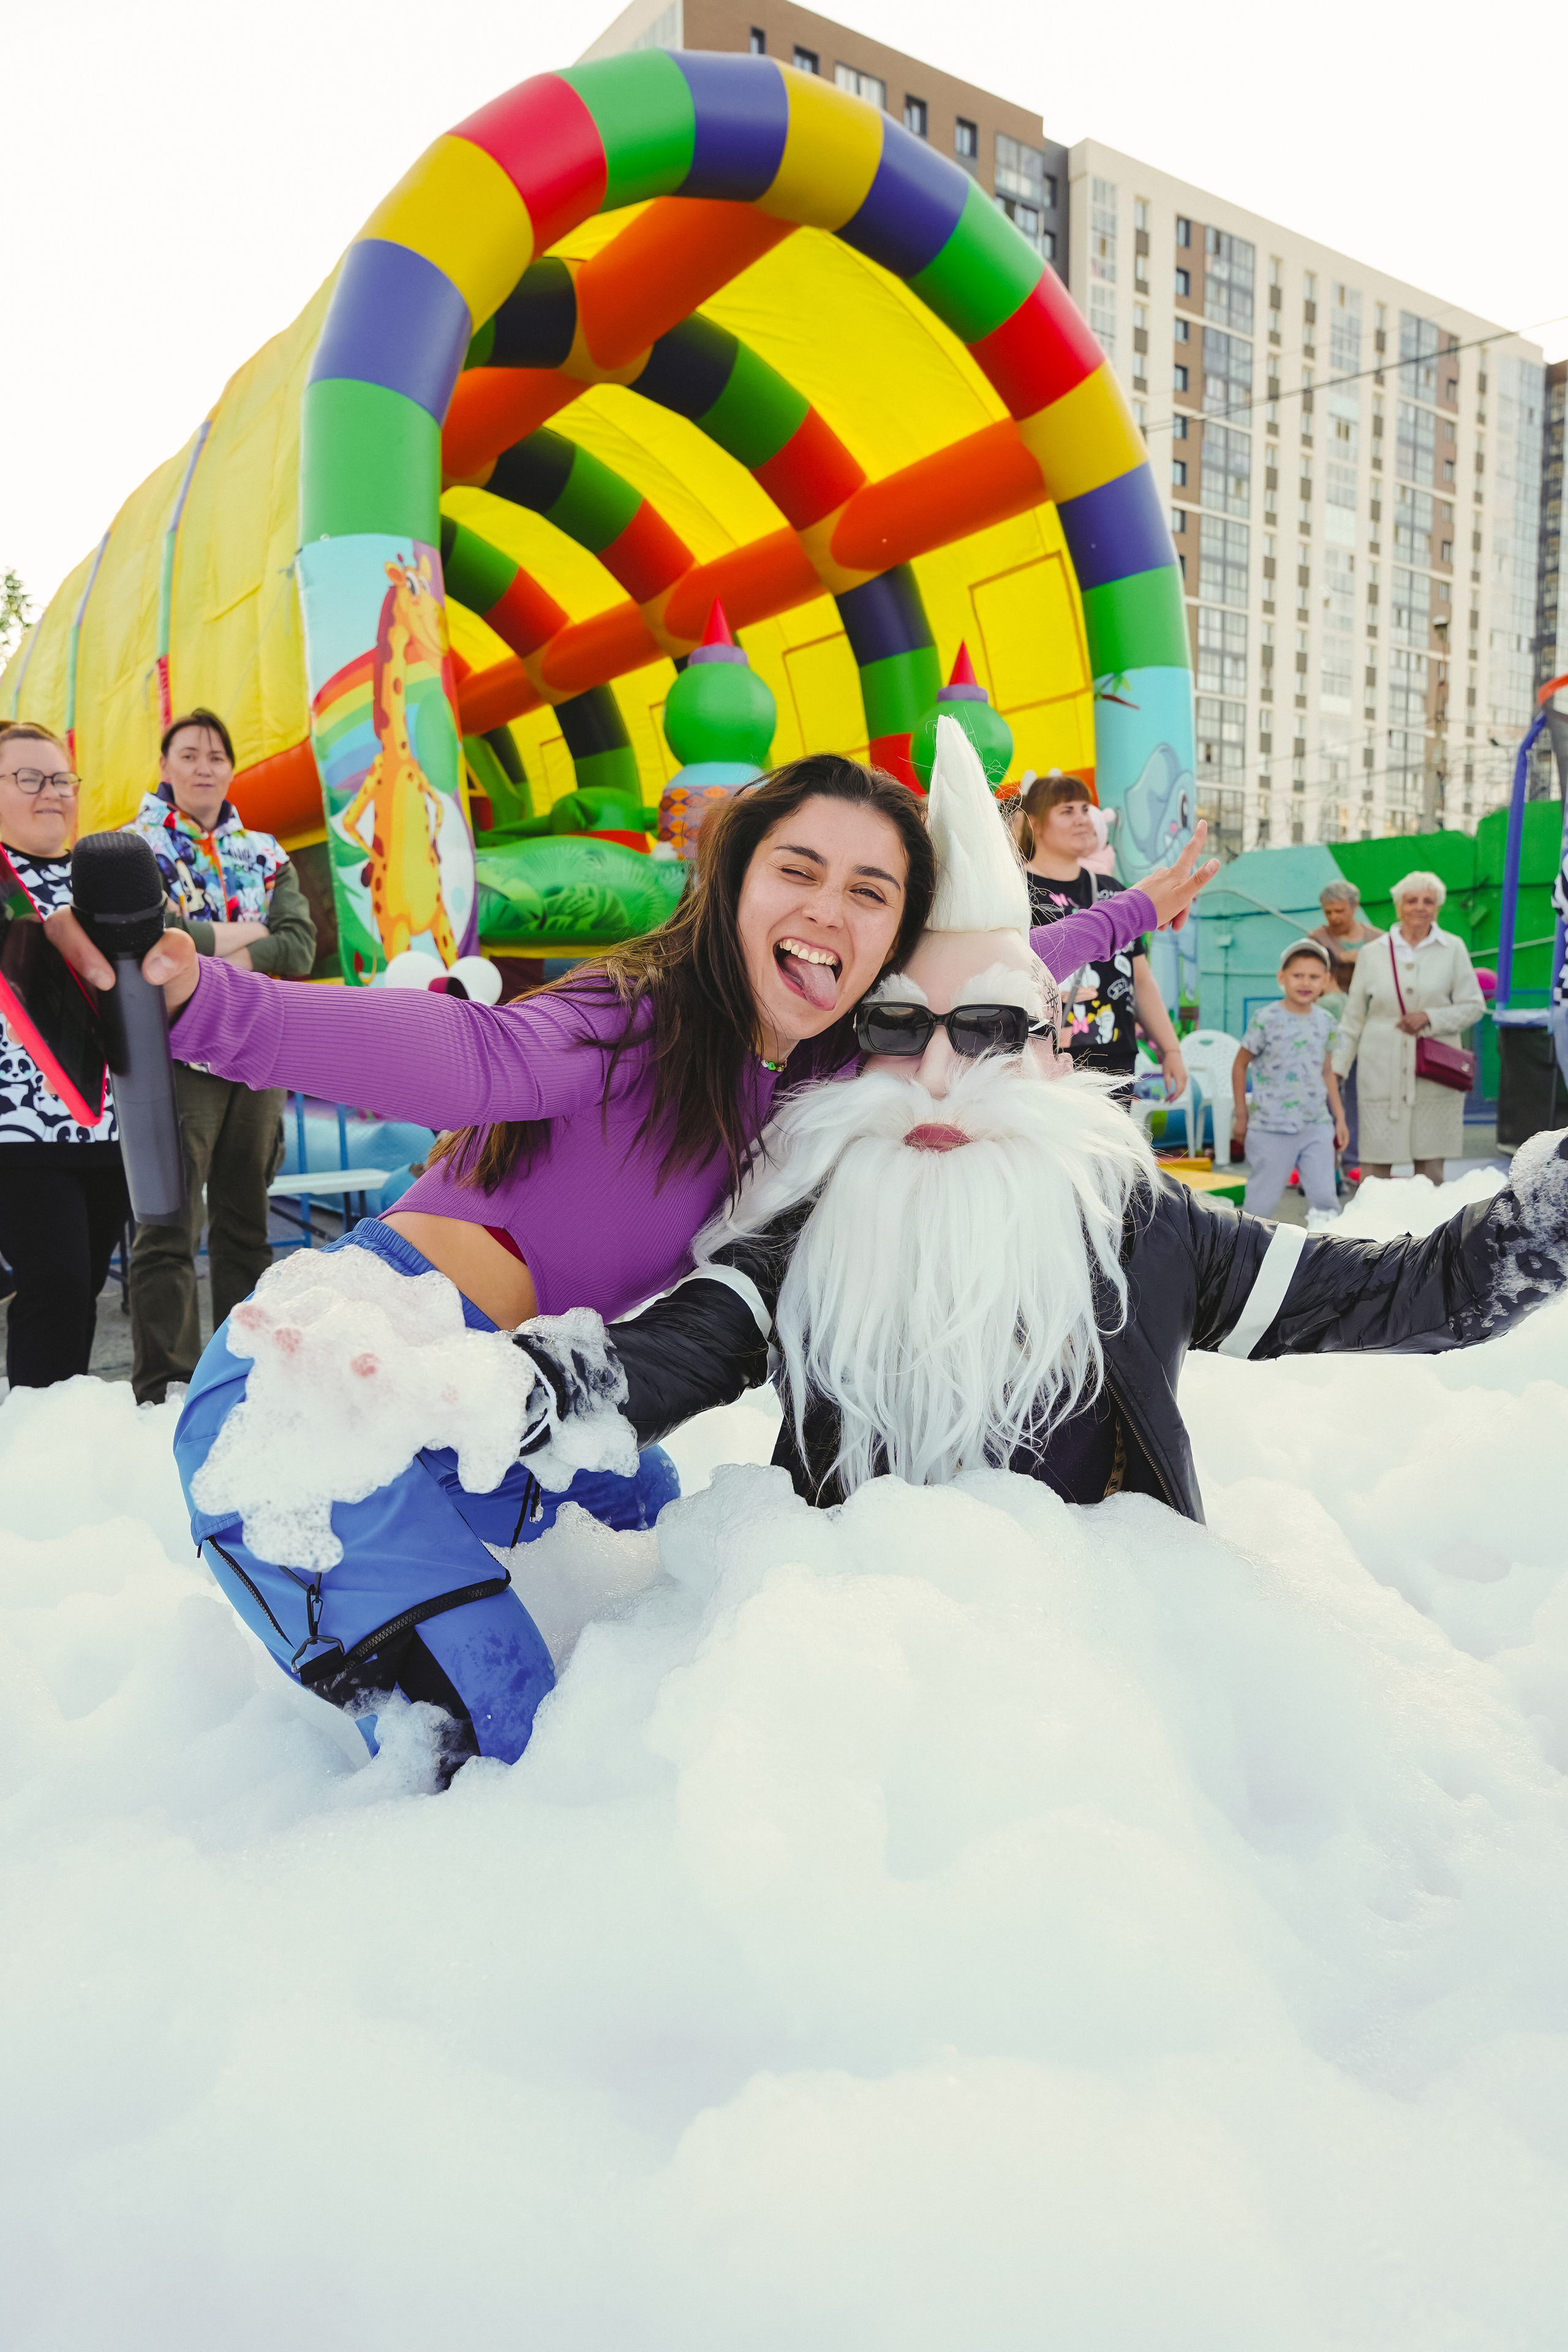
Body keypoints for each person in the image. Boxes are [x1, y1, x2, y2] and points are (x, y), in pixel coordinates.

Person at [43, 750, 1215, 1774]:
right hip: (325, 1395)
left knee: (680, 1598)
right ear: (735, 883)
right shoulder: (638, 1021)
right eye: (797, 871)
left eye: (871, 893)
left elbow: (1000, 967)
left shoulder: (819, 1070)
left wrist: (1131, 914)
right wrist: (209, 1009)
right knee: (510, 1750)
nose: (827, 913)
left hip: (507, 1407)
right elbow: (470, 1057)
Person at [524, 722, 1568, 1526]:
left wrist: (1546, 1216)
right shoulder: (813, 1220)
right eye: (897, 1027)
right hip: (851, 1656)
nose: (936, 1073)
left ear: (1050, 1045)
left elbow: (1410, 1292)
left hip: (1087, 1680)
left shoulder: (1141, 1227)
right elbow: (663, 1361)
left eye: (984, 1029)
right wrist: (524, 1392)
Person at [126, 709, 317, 1403]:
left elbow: (300, 946)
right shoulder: (134, 848)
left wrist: (200, 938)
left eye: (216, 755)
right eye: (189, 754)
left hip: (259, 1052)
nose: (204, 766)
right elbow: (155, 941)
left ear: (231, 768)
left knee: (246, 1225)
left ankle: (242, 1378)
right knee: (169, 1227)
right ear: (166, 766)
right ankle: (166, 1388)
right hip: (177, 1056)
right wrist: (244, 931)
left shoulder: (266, 851)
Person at [0, 723, 130, 1386]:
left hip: (107, 1126)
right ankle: (29, 1460)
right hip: (16, 1132)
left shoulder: (101, 878)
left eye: (61, 780)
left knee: (81, 1295)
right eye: (28, 778)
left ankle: (63, 1443)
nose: (51, 792)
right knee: (54, 1288)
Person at [1016, 769, 1187, 1104]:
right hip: (1042, 1065)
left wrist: (1171, 1049)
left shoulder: (1114, 891)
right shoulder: (1013, 891)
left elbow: (1140, 978)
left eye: (1085, 809)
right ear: (1034, 824)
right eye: (1067, 811)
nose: (1083, 820)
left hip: (1114, 1063)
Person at [1333, 871, 1483, 1185]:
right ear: (1399, 907)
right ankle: (1371, 1230)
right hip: (1381, 1065)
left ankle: (1432, 1231)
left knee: (1431, 1169)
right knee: (1375, 1167)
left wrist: (1431, 1017)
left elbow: (1474, 1006)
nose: (1420, 907)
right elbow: (1353, 1016)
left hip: (1434, 1067)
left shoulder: (1453, 948)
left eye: (1428, 901)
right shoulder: (1373, 953)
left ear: (1438, 908)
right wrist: (1337, 1068)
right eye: (1412, 900)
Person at [1231, 941, 1348, 1226]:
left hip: (1316, 1125)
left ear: (1325, 981)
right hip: (1271, 1126)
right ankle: (1245, 1261)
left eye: (1314, 976)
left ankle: (1331, 1259)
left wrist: (1340, 1118)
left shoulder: (1326, 1022)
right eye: (1298, 975)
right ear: (1282, 977)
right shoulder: (1266, 1018)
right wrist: (1242, 1115)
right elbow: (1240, 1065)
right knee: (1260, 1205)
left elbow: (1327, 1072)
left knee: (1325, 1199)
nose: (1306, 983)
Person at [1309, 877, 1382, 1161]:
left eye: (1339, 911)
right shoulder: (1317, 939)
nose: (1333, 917)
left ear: (1355, 907)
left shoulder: (1378, 940)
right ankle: (1328, 1157)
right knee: (1330, 1091)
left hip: (1369, 1025)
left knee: (1362, 1093)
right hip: (1331, 1024)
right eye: (1328, 912)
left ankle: (1358, 1157)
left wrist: (1356, 957)